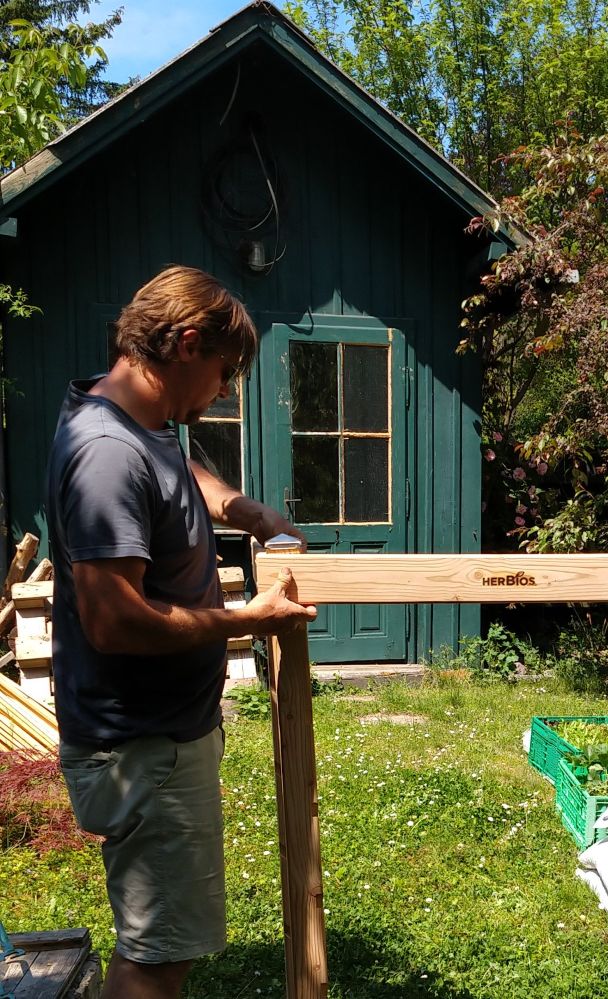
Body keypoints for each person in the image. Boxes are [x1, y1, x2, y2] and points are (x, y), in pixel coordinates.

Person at [46, 265, 318, 999]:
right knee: (156, 959)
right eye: (225, 371)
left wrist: (246, 509)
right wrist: (245, 620)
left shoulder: (141, 423)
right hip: (142, 747)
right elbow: (113, 620)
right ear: (188, 341)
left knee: (167, 943)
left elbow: (178, 472)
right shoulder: (108, 453)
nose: (226, 390)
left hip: (159, 739)